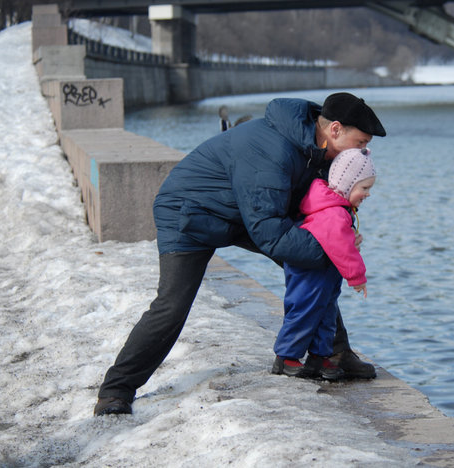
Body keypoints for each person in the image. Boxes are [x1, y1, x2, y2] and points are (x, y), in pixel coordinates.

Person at [94, 92, 386, 416]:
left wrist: (338, 240)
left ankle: (335, 354)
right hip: (189, 213)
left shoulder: (315, 149)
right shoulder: (272, 150)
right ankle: (116, 391)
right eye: (360, 143)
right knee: (171, 306)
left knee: (317, 269)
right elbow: (271, 234)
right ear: (334, 130)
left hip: (243, 213)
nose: (362, 152)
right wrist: (331, 249)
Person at [272, 148, 376, 381]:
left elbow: (339, 240)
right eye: (364, 188)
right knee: (304, 310)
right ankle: (286, 356)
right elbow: (340, 247)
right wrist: (357, 277)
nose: (367, 194)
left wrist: (351, 238)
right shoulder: (334, 213)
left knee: (326, 313)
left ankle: (319, 356)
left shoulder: (337, 210)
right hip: (311, 274)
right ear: (347, 185)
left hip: (325, 275)